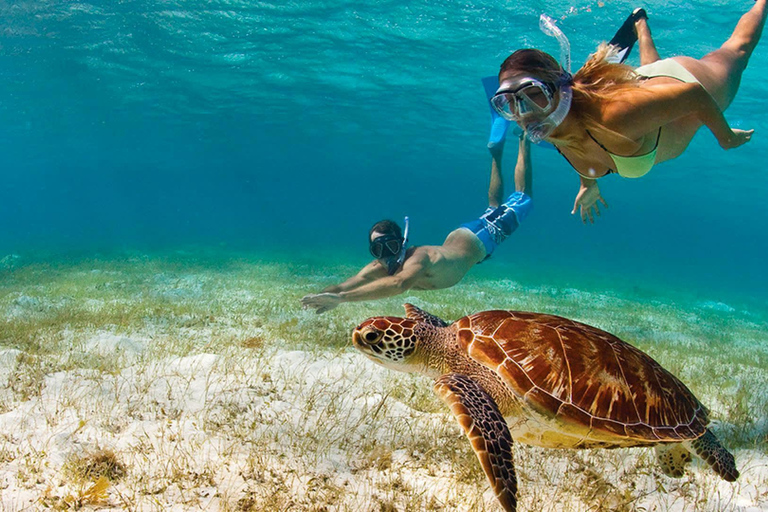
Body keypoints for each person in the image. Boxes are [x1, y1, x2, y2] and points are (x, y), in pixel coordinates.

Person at [491, 3, 766, 224]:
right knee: (650, 78)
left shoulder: (617, 116)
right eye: (509, 103)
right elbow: (576, 143)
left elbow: (694, 95)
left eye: (533, 93)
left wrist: (725, 136)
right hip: (644, 88)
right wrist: (588, 183)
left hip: (684, 80)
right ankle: (640, 25)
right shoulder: (550, 124)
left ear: (559, 89)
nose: (524, 111)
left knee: (738, 50)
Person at [300, 137, 533, 314]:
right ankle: (496, 153)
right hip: (464, 242)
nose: (385, 256)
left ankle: (523, 139)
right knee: (493, 206)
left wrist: (342, 300)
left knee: (522, 197)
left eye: (389, 247)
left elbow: (399, 284)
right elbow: (340, 287)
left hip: (483, 237)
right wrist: (320, 297)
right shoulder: (378, 267)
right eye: (378, 250)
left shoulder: (419, 258)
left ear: (402, 242)